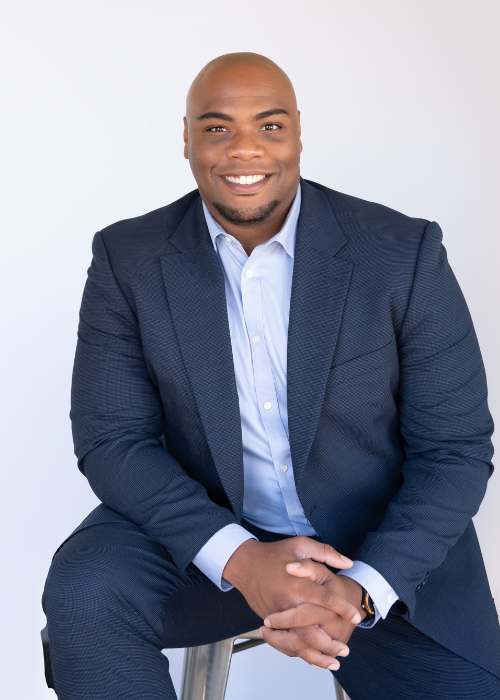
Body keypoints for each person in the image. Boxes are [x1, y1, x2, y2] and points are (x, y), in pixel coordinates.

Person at [42, 52, 500, 700]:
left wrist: (359, 591)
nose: (244, 149)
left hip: (379, 548)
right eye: (218, 127)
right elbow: (112, 438)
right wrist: (240, 558)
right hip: (207, 542)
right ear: (187, 138)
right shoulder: (128, 261)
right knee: (86, 592)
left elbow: (455, 451)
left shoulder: (403, 256)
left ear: (299, 134)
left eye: (270, 125)